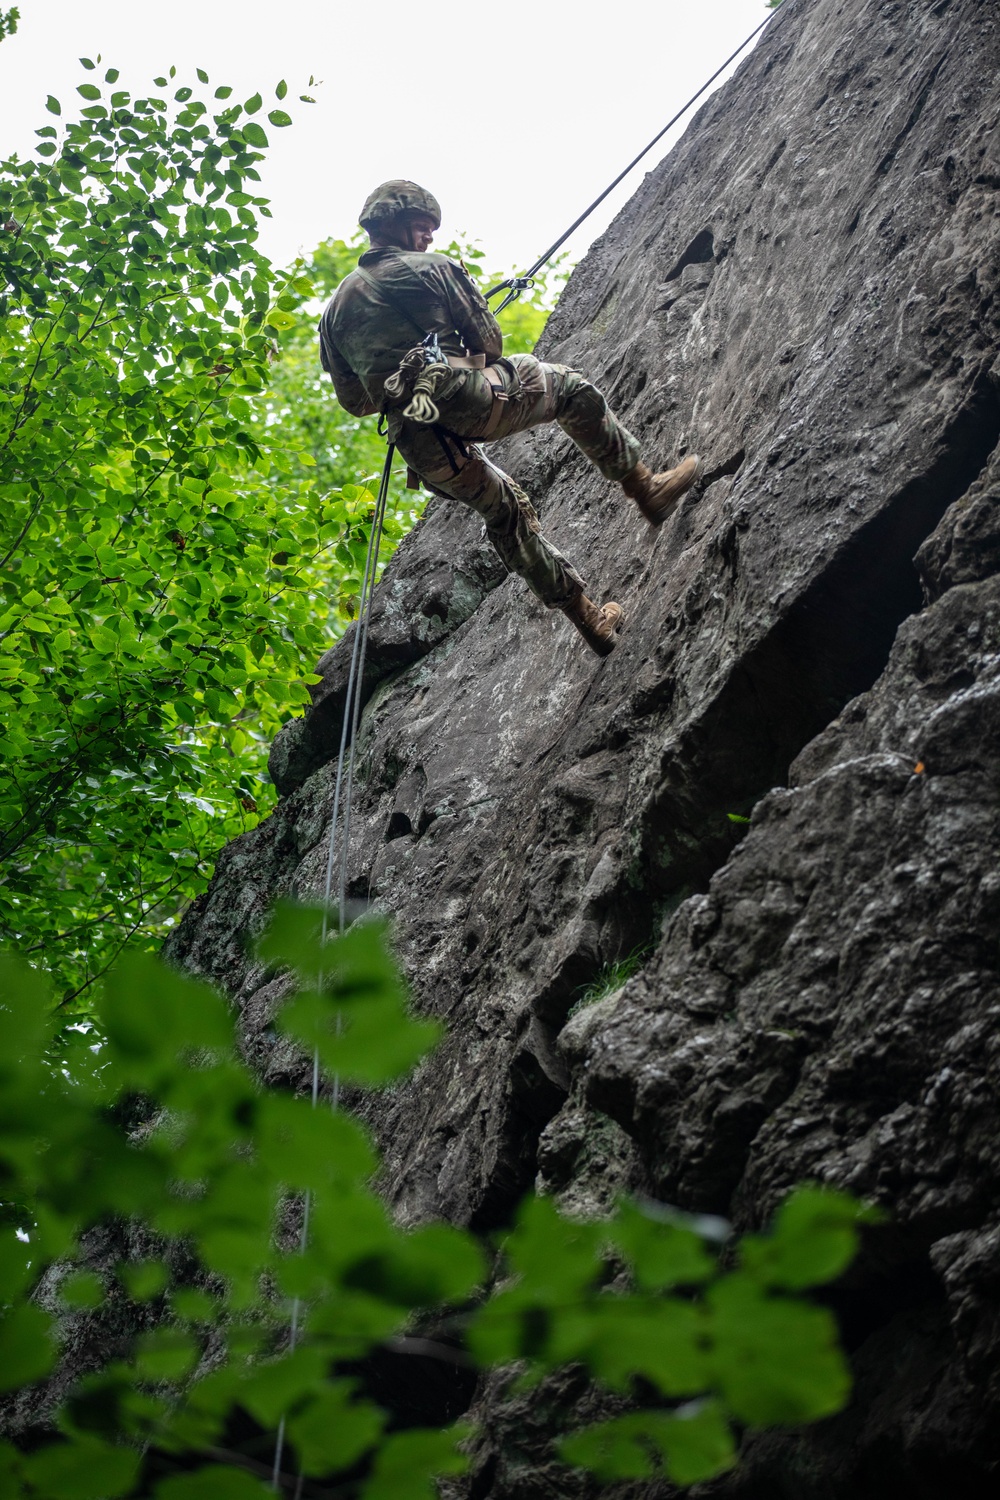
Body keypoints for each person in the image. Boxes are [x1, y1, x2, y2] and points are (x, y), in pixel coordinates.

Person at [318, 180, 701, 657]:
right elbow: (490, 343)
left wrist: (404, 377)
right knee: (568, 388)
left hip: (423, 446)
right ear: (393, 224)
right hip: (473, 401)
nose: (429, 238)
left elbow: (355, 401)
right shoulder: (432, 270)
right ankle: (647, 489)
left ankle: (588, 620)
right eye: (422, 227)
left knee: (505, 515)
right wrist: (446, 361)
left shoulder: (332, 316)